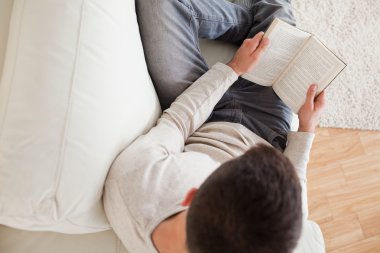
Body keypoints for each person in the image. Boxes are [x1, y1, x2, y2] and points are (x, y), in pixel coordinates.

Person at [103, 0, 326, 253]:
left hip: (200, 117)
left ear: (190, 195)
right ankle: (259, 26)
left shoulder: (136, 182)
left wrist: (233, 69)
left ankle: (258, 26)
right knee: (280, 17)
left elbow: (177, 121)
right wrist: (307, 129)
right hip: (269, 126)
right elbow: (294, 204)